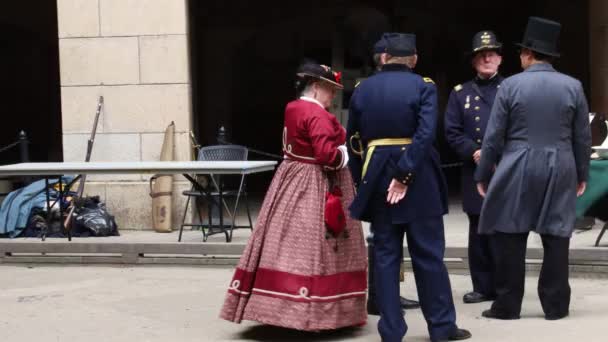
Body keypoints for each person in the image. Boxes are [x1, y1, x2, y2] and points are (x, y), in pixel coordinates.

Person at [220, 61, 368, 331]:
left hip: (289, 177)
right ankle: (314, 312)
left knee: (281, 238)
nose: (333, 96)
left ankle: (278, 305)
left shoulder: (292, 107)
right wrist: (344, 155)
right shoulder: (317, 114)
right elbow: (326, 155)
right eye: (330, 90)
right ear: (315, 88)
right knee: (318, 244)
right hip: (315, 182)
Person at [347, 33, 471, 342]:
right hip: (421, 179)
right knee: (428, 255)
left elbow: (353, 141)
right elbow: (427, 133)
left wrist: (362, 179)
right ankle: (442, 328)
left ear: (385, 57)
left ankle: (390, 332)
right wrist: (404, 175)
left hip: (377, 177)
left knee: (386, 256)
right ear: (414, 59)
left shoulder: (363, 89)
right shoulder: (424, 85)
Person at [475, 17, 591, 321]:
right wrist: (582, 173)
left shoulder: (511, 85)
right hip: (562, 163)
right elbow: (582, 136)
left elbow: (493, 136)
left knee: (511, 234)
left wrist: (483, 173)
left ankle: (507, 305)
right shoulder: (573, 86)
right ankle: (555, 307)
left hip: (517, 163)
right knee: (556, 235)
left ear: (527, 53)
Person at [444, 30, 503, 304]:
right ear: (474, 61)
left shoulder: (512, 88)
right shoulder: (460, 94)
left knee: (504, 228)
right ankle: (482, 286)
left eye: (491, 54)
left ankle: (504, 285)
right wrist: (474, 151)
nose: (487, 58)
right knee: (478, 229)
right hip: (474, 168)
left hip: (505, 168)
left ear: (500, 58)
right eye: (481, 55)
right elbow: (452, 131)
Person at [365, 34, 421, 315]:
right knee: (383, 242)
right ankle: (378, 297)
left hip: (375, 173)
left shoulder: (368, 87)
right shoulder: (406, 87)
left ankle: (385, 296)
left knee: (384, 242)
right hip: (394, 173)